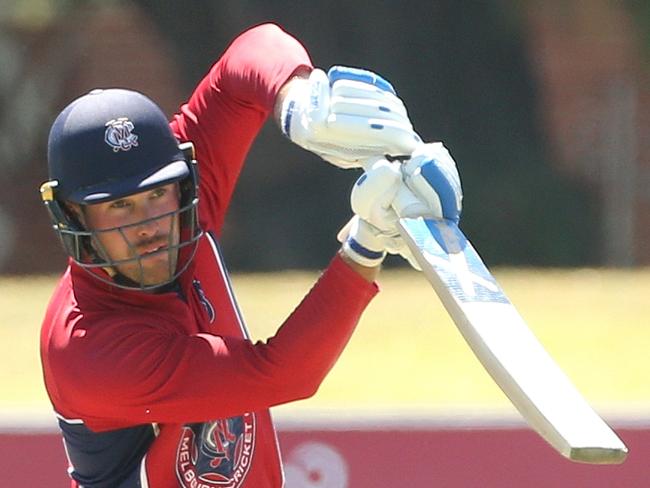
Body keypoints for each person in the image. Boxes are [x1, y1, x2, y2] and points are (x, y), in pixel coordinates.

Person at [39, 23, 462, 487]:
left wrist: (298, 98)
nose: (147, 224)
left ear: (181, 182)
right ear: (73, 216)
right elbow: (284, 374)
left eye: (156, 196)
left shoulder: (184, 192)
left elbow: (253, 50)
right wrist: (367, 242)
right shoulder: (89, 350)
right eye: (118, 206)